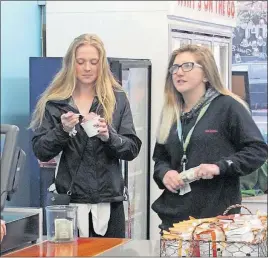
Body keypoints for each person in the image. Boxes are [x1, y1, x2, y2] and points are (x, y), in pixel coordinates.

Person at [30, 34, 141, 238]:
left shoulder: (117, 99)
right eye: (81, 62)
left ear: (102, 65)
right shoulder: (55, 102)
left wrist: (109, 136)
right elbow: (40, 150)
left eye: (93, 62)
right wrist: (61, 131)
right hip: (68, 204)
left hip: (110, 201)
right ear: (71, 64)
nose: (87, 68)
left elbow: (132, 148)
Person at [152, 45, 268, 230]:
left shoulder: (229, 107)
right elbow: (160, 158)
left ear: (206, 74)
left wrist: (218, 167)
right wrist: (165, 174)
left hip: (216, 220)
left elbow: (257, 150)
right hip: (174, 221)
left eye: (187, 66)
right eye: (175, 68)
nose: (178, 73)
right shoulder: (170, 112)